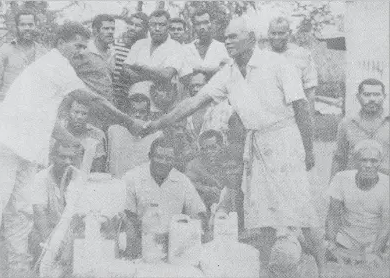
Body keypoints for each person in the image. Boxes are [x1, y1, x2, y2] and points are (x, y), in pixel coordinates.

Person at [144, 17, 326, 277]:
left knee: (301, 212)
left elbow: (302, 108)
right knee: (261, 215)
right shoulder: (228, 73)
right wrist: (156, 124)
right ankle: (264, 269)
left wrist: (308, 150)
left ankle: (323, 269)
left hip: (285, 142)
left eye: (233, 37)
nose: (227, 41)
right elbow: (195, 102)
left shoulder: (277, 64)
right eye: (226, 37)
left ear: (251, 39)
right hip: (256, 144)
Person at [0, 22, 143, 278]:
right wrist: (129, 121)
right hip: (3, 145)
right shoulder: (55, 65)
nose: (81, 51)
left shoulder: (57, 68)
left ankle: (20, 271)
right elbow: (92, 98)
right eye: (77, 45)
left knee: (21, 213)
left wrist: (78, 144)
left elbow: (47, 121)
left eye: (85, 47)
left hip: (25, 150)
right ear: (61, 42)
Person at [123, 136, 207, 259]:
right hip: (141, 247)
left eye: (168, 158)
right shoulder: (132, 177)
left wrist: (183, 234)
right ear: (149, 156)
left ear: (174, 160)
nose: (163, 162)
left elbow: (199, 214)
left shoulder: (182, 180)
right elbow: (127, 218)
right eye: (159, 157)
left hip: (174, 247)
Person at [325, 140, 389, 267]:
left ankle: (362, 256)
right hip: (346, 239)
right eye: (363, 160)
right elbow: (333, 215)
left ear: (380, 163)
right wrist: (331, 243)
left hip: (375, 240)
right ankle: (353, 256)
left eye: (373, 161)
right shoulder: (341, 178)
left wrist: (375, 251)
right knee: (315, 242)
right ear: (355, 162)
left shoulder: (387, 184)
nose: (368, 165)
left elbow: (386, 225)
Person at [30, 138, 84, 271]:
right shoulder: (41, 178)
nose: (68, 162)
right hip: (49, 232)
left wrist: (68, 245)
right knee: (35, 239)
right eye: (63, 157)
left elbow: (79, 219)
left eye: (71, 158)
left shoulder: (80, 179)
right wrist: (54, 246)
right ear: (52, 157)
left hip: (72, 233)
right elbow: (39, 214)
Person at [331, 78, 389, 178]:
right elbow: (339, 158)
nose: (372, 99)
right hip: (354, 185)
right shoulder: (347, 124)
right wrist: (332, 187)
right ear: (358, 97)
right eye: (367, 94)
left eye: (376, 94)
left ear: (384, 96)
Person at [123, 9, 190, 88]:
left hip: (161, 97)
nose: (157, 28)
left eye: (162, 25)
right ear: (148, 26)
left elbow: (166, 75)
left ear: (168, 27)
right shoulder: (139, 44)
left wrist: (140, 67)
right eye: (153, 24)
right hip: (134, 94)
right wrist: (147, 78)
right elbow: (125, 68)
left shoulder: (176, 47)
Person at [267, 17, 318, 116]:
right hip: (269, 117)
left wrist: (309, 124)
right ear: (268, 33)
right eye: (273, 33)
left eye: (281, 33)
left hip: (295, 116)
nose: (276, 37)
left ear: (289, 33)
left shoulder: (302, 55)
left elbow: (310, 94)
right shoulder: (262, 56)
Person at [0, 10, 48, 94]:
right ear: (17, 27)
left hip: (35, 104)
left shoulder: (43, 52)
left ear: (35, 27)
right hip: (9, 103)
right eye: (22, 25)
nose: (27, 28)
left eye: (30, 25)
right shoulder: (5, 50)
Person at [185, 130, 241, 212]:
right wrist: (206, 188)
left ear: (222, 146)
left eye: (213, 147)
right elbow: (186, 183)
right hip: (204, 207)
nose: (208, 152)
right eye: (204, 149)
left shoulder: (229, 161)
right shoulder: (194, 165)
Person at [107, 93, 162, 177]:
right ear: (127, 112)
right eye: (133, 111)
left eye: (142, 112)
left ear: (148, 114)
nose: (137, 115)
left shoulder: (156, 136)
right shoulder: (114, 131)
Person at [113, 12, 149, 112]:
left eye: (137, 25)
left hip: (133, 99)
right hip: (112, 94)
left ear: (145, 29)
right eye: (130, 24)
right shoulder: (115, 44)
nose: (132, 28)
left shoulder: (146, 49)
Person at [184, 9, 230, 77]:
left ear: (211, 23)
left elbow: (227, 71)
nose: (202, 27)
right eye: (198, 24)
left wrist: (198, 70)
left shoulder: (222, 48)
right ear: (193, 27)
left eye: (205, 22)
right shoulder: (186, 49)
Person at [64, 99, 107, 172]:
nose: (79, 117)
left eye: (84, 113)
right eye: (76, 112)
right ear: (68, 112)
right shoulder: (58, 130)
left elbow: (98, 169)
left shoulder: (96, 134)